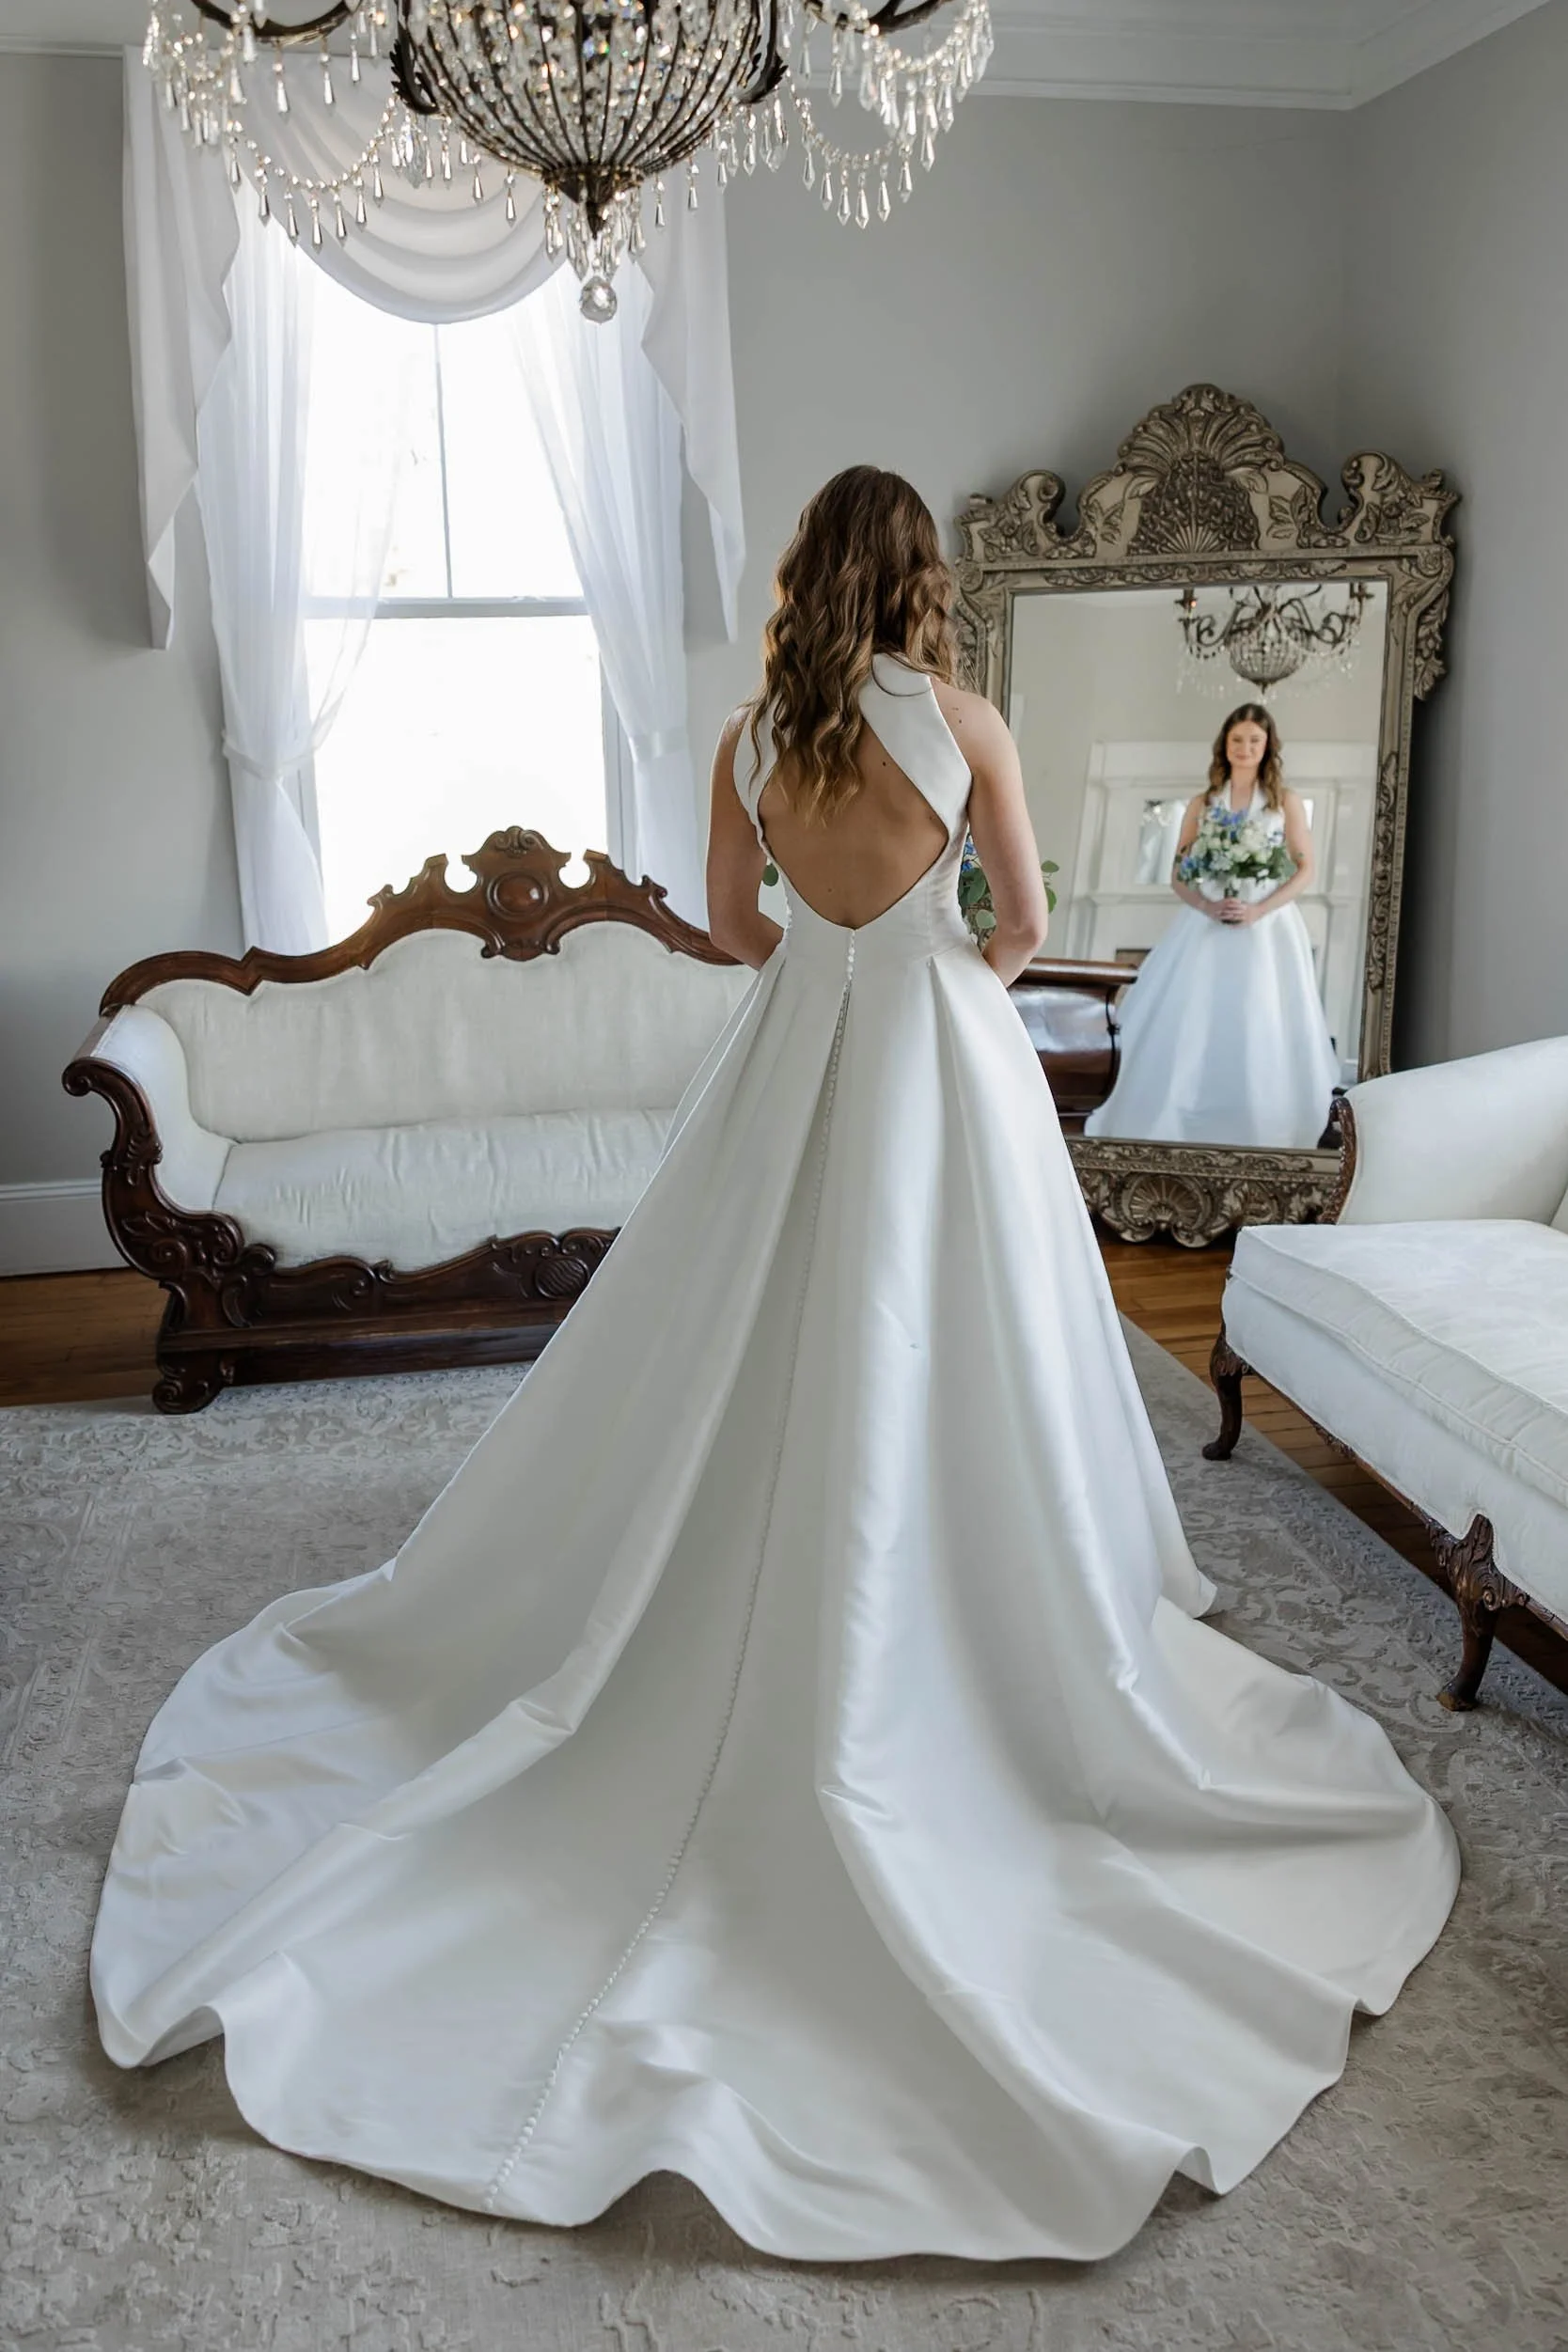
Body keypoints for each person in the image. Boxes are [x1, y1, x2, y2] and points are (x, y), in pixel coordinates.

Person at [89, 470, 1457, 2265]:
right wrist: (942, 959)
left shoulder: (752, 736)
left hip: (796, 1040)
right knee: (964, 1341)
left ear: (808, 578)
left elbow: (736, 930)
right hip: (935, 1052)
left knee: (741, 1328)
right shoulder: (963, 720)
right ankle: (969, 1609)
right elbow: (1026, 920)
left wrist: (829, 938)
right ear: (917, 583)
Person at [1085, 705, 1343, 1147]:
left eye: (1254, 741)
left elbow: (1304, 870)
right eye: (1237, 739)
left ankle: (1262, 1125)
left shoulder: (1285, 803)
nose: (1245, 748)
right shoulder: (1203, 803)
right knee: (1191, 1016)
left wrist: (1259, 910)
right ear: (1225, 744)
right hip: (1207, 921)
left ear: (1267, 748)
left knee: (1262, 1015)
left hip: (1266, 927)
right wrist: (1207, 905)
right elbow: (1177, 873)